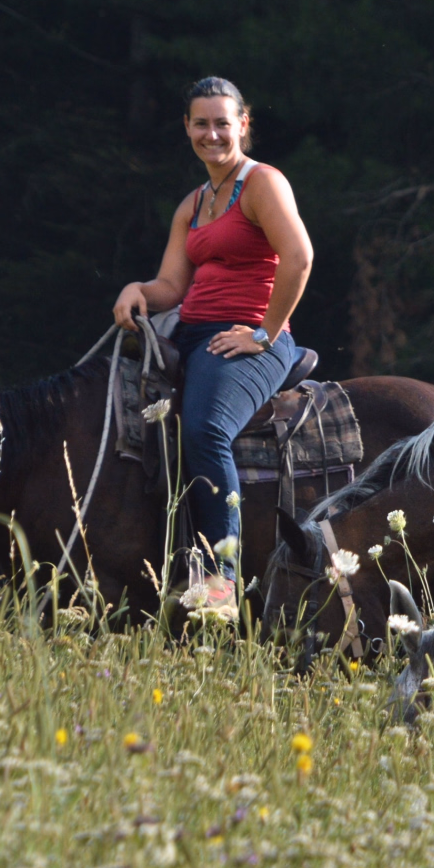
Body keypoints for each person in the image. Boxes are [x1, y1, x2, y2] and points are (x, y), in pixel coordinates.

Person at [112, 76, 315, 617]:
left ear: (243, 125)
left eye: (222, 123)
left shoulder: (262, 183)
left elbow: (298, 258)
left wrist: (265, 333)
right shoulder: (194, 203)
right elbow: (172, 288)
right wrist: (137, 290)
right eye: (201, 123)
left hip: (249, 335)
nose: (212, 134)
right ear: (187, 128)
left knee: (204, 428)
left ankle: (222, 578)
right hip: (192, 331)